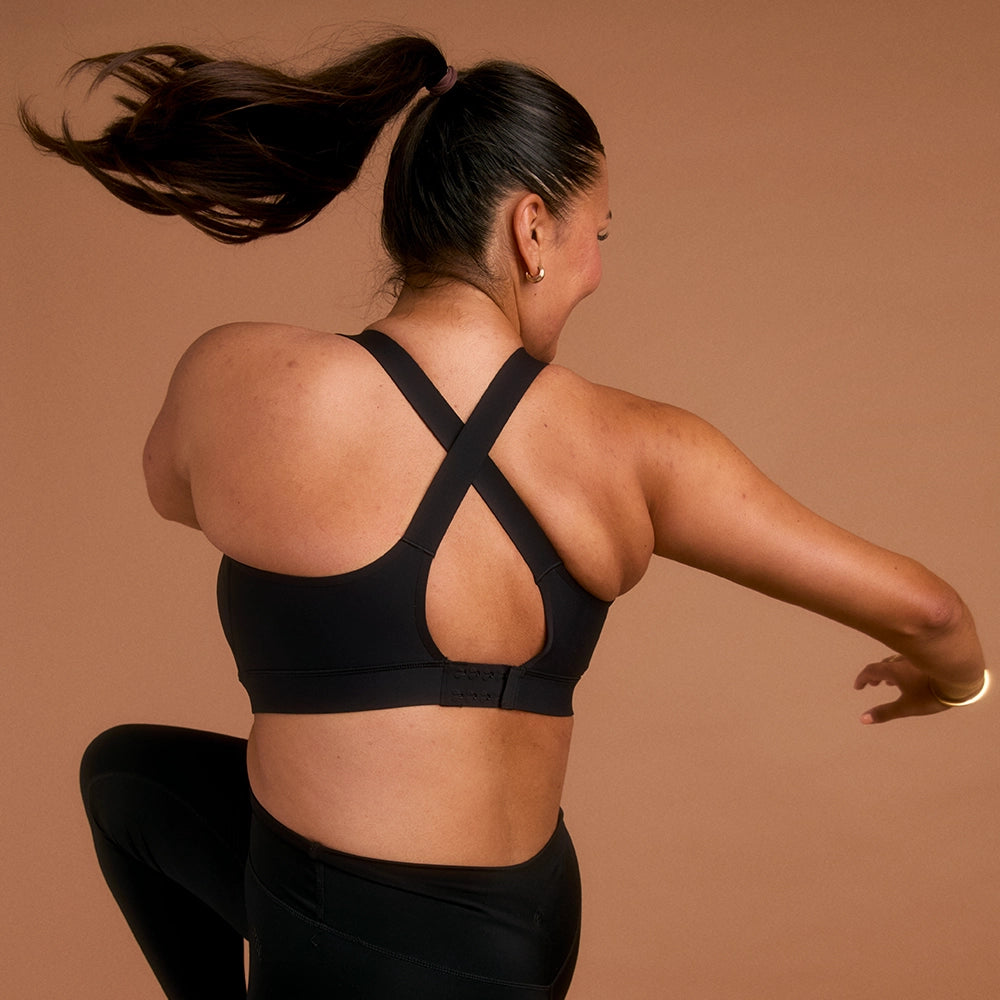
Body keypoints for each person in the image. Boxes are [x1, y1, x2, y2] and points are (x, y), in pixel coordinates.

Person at [20, 32, 987, 1000]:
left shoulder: (237, 372)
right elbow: (932, 615)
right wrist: (955, 687)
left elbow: (174, 493)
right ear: (532, 228)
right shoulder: (639, 446)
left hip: (354, 941)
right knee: (131, 775)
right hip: (522, 921)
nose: (592, 269)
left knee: (133, 789)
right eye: (595, 235)